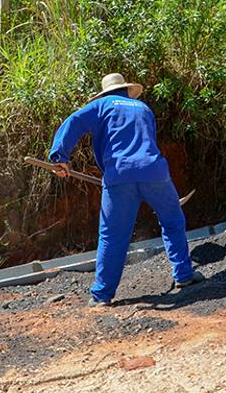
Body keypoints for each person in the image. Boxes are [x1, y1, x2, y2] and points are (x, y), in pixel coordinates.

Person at [48, 73, 204, 307]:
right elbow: (147, 141)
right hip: (155, 171)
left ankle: (102, 295)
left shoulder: (100, 105)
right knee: (172, 221)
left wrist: (60, 156)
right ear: (126, 90)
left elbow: (74, 122)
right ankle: (184, 275)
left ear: (105, 92)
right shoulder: (143, 108)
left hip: (120, 174)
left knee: (112, 236)